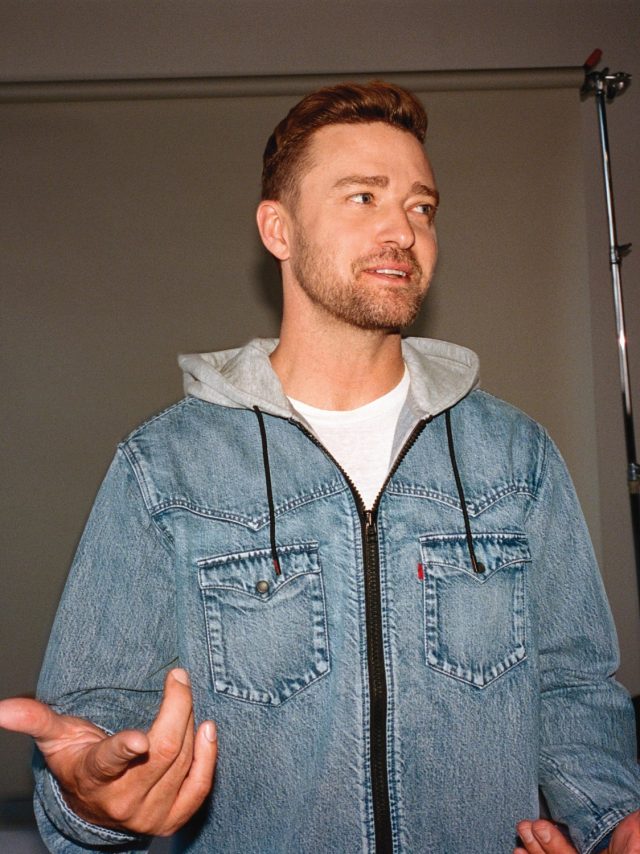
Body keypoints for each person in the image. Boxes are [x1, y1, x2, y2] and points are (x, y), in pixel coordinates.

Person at [0, 81, 638, 854]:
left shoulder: (514, 456)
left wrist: (615, 825)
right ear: (279, 229)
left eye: (422, 207)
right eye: (364, 197)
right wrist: (95, 801)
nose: (402, 230)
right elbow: (96, 733)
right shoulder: (166, 467)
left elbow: (572, 688)